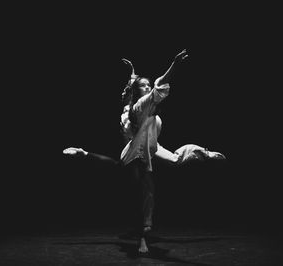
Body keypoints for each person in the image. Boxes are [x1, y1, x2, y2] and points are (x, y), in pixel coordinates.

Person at [63, 49, 226, 254]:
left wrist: (135, 74)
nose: (148, 88)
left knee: (175, 161)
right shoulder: (140, 106)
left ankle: (204, 153)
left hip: (152, 145)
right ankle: (143, 234)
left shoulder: (140, 104)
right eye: (144, 86)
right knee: (138, 184)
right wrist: (172, 66)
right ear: (138, 91)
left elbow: (146, 89)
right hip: (138, 147)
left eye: (148, 85)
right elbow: (151, 87)